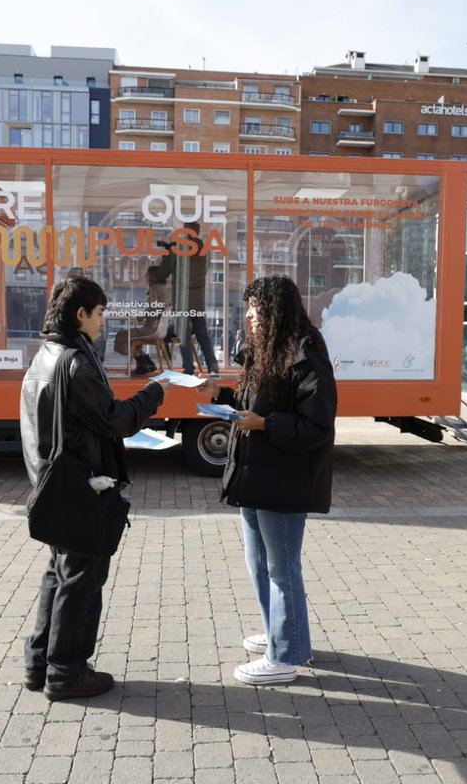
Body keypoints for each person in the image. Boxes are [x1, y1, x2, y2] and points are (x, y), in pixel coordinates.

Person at [20, 277, 169, 700]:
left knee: (60, 574)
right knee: (81, 580)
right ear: (80, 314)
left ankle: (39, 665)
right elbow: (114, 420)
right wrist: (154, 392)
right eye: (100, 313)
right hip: (82, 487)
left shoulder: (45, 356)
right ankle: (67, 672)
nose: (105, 321)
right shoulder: (74, 361)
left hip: (56, 485)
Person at [196, 274, 337, 686]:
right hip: (256, 475)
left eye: (255, 310)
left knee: (281, 568)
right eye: (248, 309)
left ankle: (285, 655)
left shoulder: (306, 356)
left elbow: (316, 426)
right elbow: (249, 405)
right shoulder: (267, 351)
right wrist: (221, 397)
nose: (250, 317)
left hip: (284, 479)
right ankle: (284, 636)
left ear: (275, 311)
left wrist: (266, 424)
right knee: (259, 563)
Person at [158, 220, 218, 376]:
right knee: (202, 334)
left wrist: (166, 255)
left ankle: (189, 369)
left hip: (182, 299)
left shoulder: (177, 248)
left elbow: (162, 273)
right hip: (198, 299)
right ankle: (213, 367)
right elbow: (205, 269)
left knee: (183, 335)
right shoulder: (205, 250)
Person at [111, 265, 168, 375]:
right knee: (132, 340)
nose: (145, 276)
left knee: (121, 336)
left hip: (151, 329)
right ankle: (147, 362)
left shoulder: (153, 288)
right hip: (158, 329)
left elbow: (153, 308)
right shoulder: (162, 288)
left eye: (147, 274)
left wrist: (139, 317)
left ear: (152, 275)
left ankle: (142, 364)